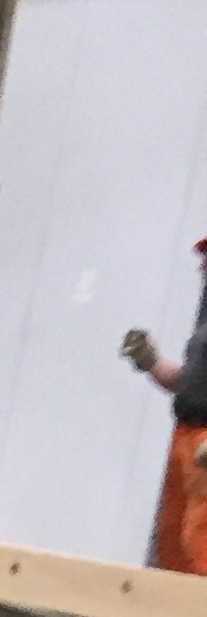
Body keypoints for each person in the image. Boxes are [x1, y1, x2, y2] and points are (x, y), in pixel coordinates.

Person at [122, 237, 207, 574]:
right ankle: (165, 604)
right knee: (172, 540)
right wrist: (151, 362)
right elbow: (189, 381)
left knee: (200, 539)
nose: (202, 266)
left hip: (203, 439)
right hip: (187, 436)